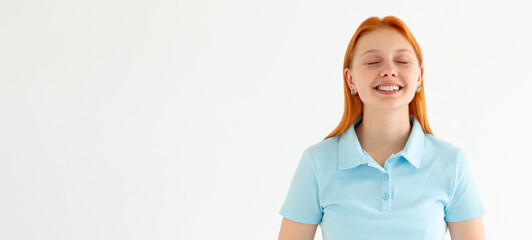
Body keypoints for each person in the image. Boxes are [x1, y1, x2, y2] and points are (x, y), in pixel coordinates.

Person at [277, 16, 486, 240]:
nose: (389, 70)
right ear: (350, 79)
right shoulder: (316, 163)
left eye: (402, 61)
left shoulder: (451, 163)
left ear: (419, 77)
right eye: (373, 61)